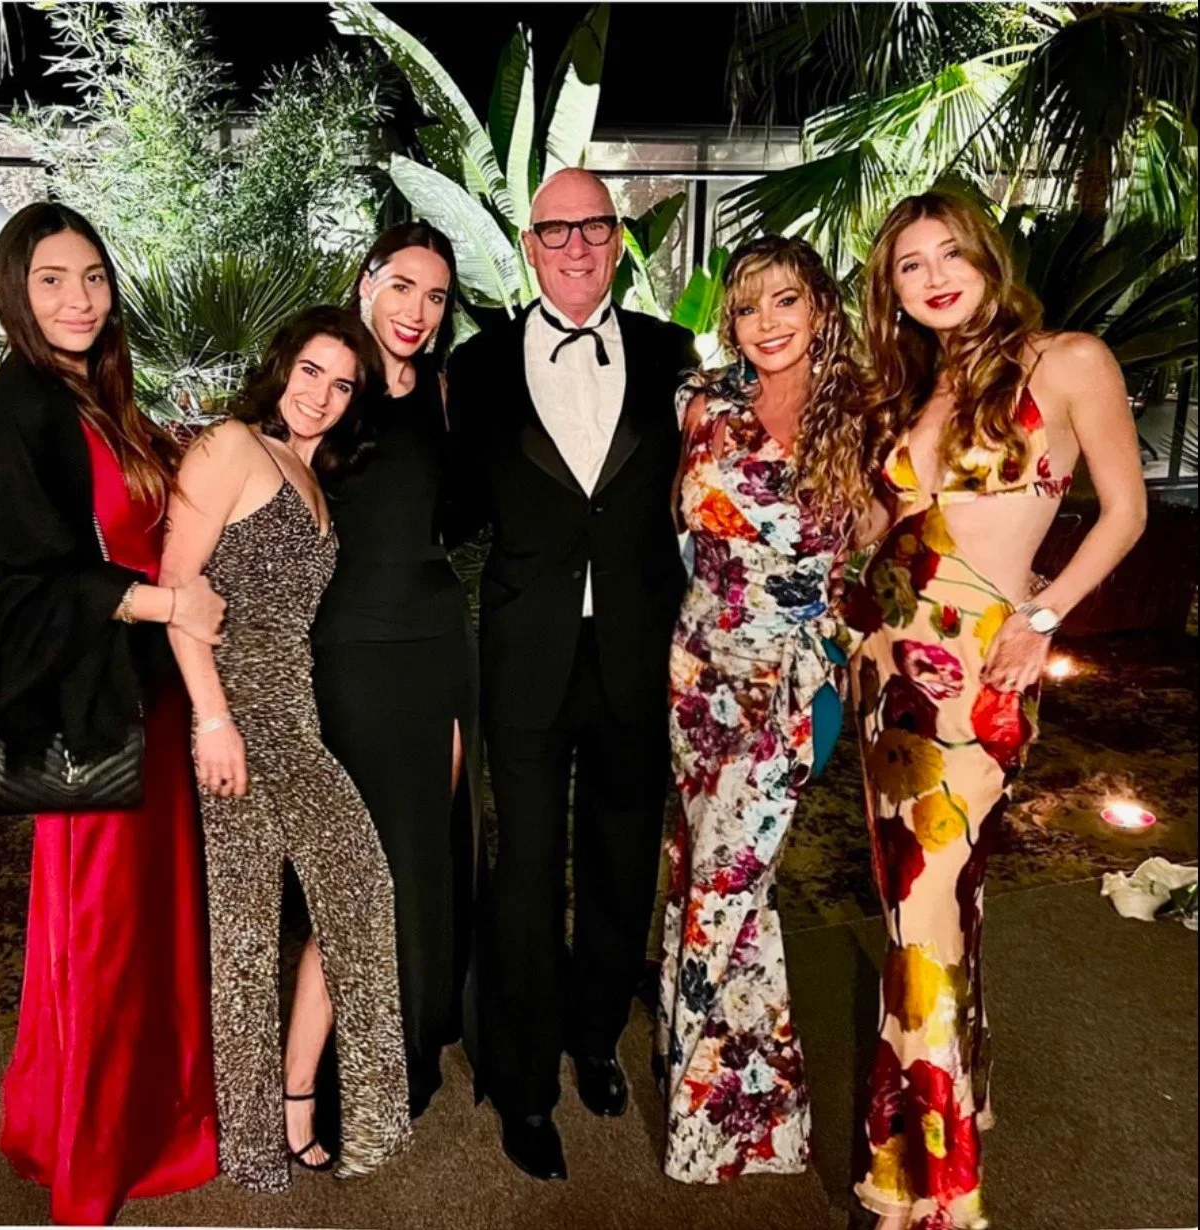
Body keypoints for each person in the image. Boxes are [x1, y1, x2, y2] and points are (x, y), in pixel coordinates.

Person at [844, 192, 1147, 1230]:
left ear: (986, 255)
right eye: (906, 266)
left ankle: (931, 1197)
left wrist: (1046, 613)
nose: (930, 276)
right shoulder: (915, 393)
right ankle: (934, 1128)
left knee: (923, 924)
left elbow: (1127, 508)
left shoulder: (1067, 362)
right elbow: (876, 538)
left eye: (947, 254)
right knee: (926, 918)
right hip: (886, 679)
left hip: (977, 678)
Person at [0, 202, 224, 1224]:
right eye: (54, 278)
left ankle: (149, 1114)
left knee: (147, 926)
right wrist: (161, 601)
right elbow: (1, 570)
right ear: (18, 292)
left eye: (94, 276)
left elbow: (132, 518)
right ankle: (95, 1156)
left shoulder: (99, 393)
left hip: (139, 703)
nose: (79, 297)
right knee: (102, 938)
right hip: (85, 711)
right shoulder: (22, 399)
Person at [448, 168, 697, 1180]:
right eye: (558, 231)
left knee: (621, 858)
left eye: (596, 228)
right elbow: (455, 510)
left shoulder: (674, 355)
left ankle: (594, 1038)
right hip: (527, 657)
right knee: (524, 874)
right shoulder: (478, 365)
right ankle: (522, 1083)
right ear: (530, 244)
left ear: (618, 240)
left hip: (640, 651)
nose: (579, 246)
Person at [159, 305, 410, 1191]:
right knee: (246, 939)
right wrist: (210, 720)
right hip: (236, 717)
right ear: (281, 367)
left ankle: (339, 1115)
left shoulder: (311, 474)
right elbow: (178, 593)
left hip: (294, 720)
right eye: (311, 372)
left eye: (342, 384)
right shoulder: (231, 445)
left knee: (358, 896)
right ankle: (256, 1145)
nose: (322, 395)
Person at [655, 235, 875, 1183]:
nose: (767, 324)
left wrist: (848, 643)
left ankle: (711, 1125)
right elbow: (671, 525)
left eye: (786, 301)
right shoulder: (703, 406)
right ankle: (745, 1109)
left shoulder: (868, 417)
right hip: (698, 672)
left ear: (822, 306)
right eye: (748, 308)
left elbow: (891, 548)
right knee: (702, 871)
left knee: (730, 879)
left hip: (794, 682)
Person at [310, 224, 479, 1121]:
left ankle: (411, 1043)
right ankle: (348, 1067)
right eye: (403, 286)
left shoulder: (444, 393)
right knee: (360, 861)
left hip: (437, 643)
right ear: (369, 281)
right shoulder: (331, 383)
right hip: (351, 650)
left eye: (437, 296)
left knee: (424, 855)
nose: (417, 310)